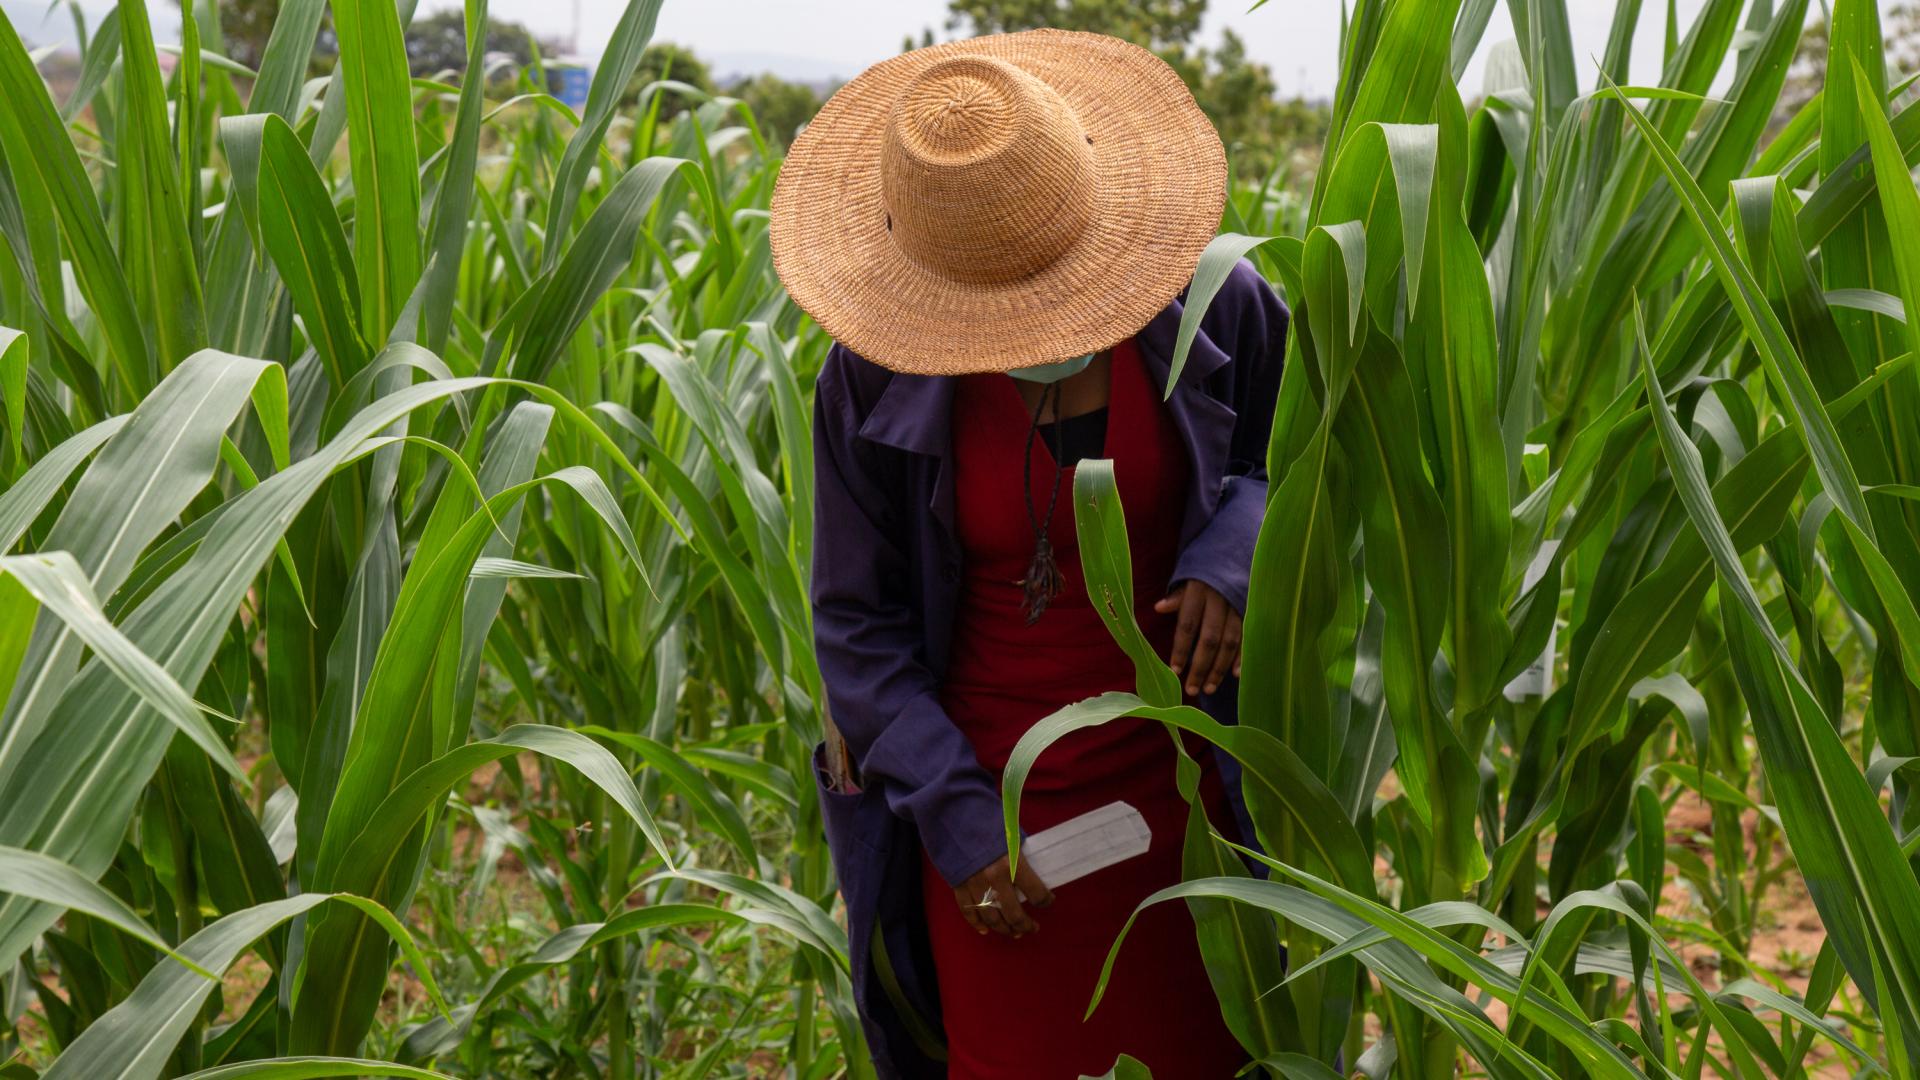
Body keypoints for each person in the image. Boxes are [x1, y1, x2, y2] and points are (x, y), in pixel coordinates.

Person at [769, 27, 1287, 1080]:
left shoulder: (1216, 300)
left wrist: (1232, 554)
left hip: (1193, 789)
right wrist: (962, 828)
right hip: (992, 822)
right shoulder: (868, 381)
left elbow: (1295, 458)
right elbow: (856, 627)